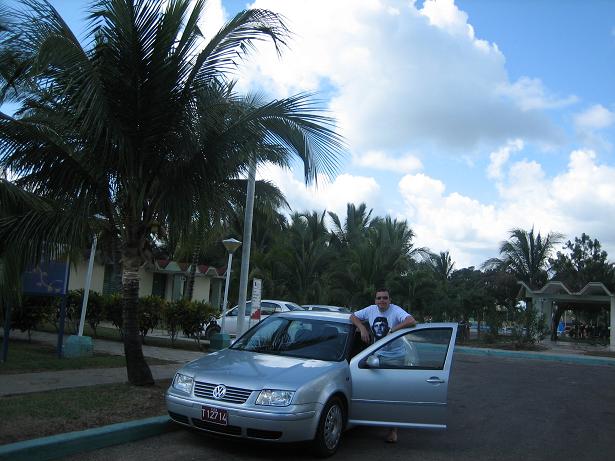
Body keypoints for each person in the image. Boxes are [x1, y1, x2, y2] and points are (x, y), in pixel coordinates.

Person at [350, 287, 417, 443]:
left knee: (393, 394)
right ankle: (370, 419)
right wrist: (361, 328)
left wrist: (393, 330)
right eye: (379, 298)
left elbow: (411, 321)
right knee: (373, 389)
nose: (382, 301)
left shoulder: (396, 310)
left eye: (385, 298)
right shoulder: (370, 310)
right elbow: (352, 316)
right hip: (377, 354)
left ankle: (393, 430)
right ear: (375, 300)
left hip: (395, 357)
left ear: (389, 300)